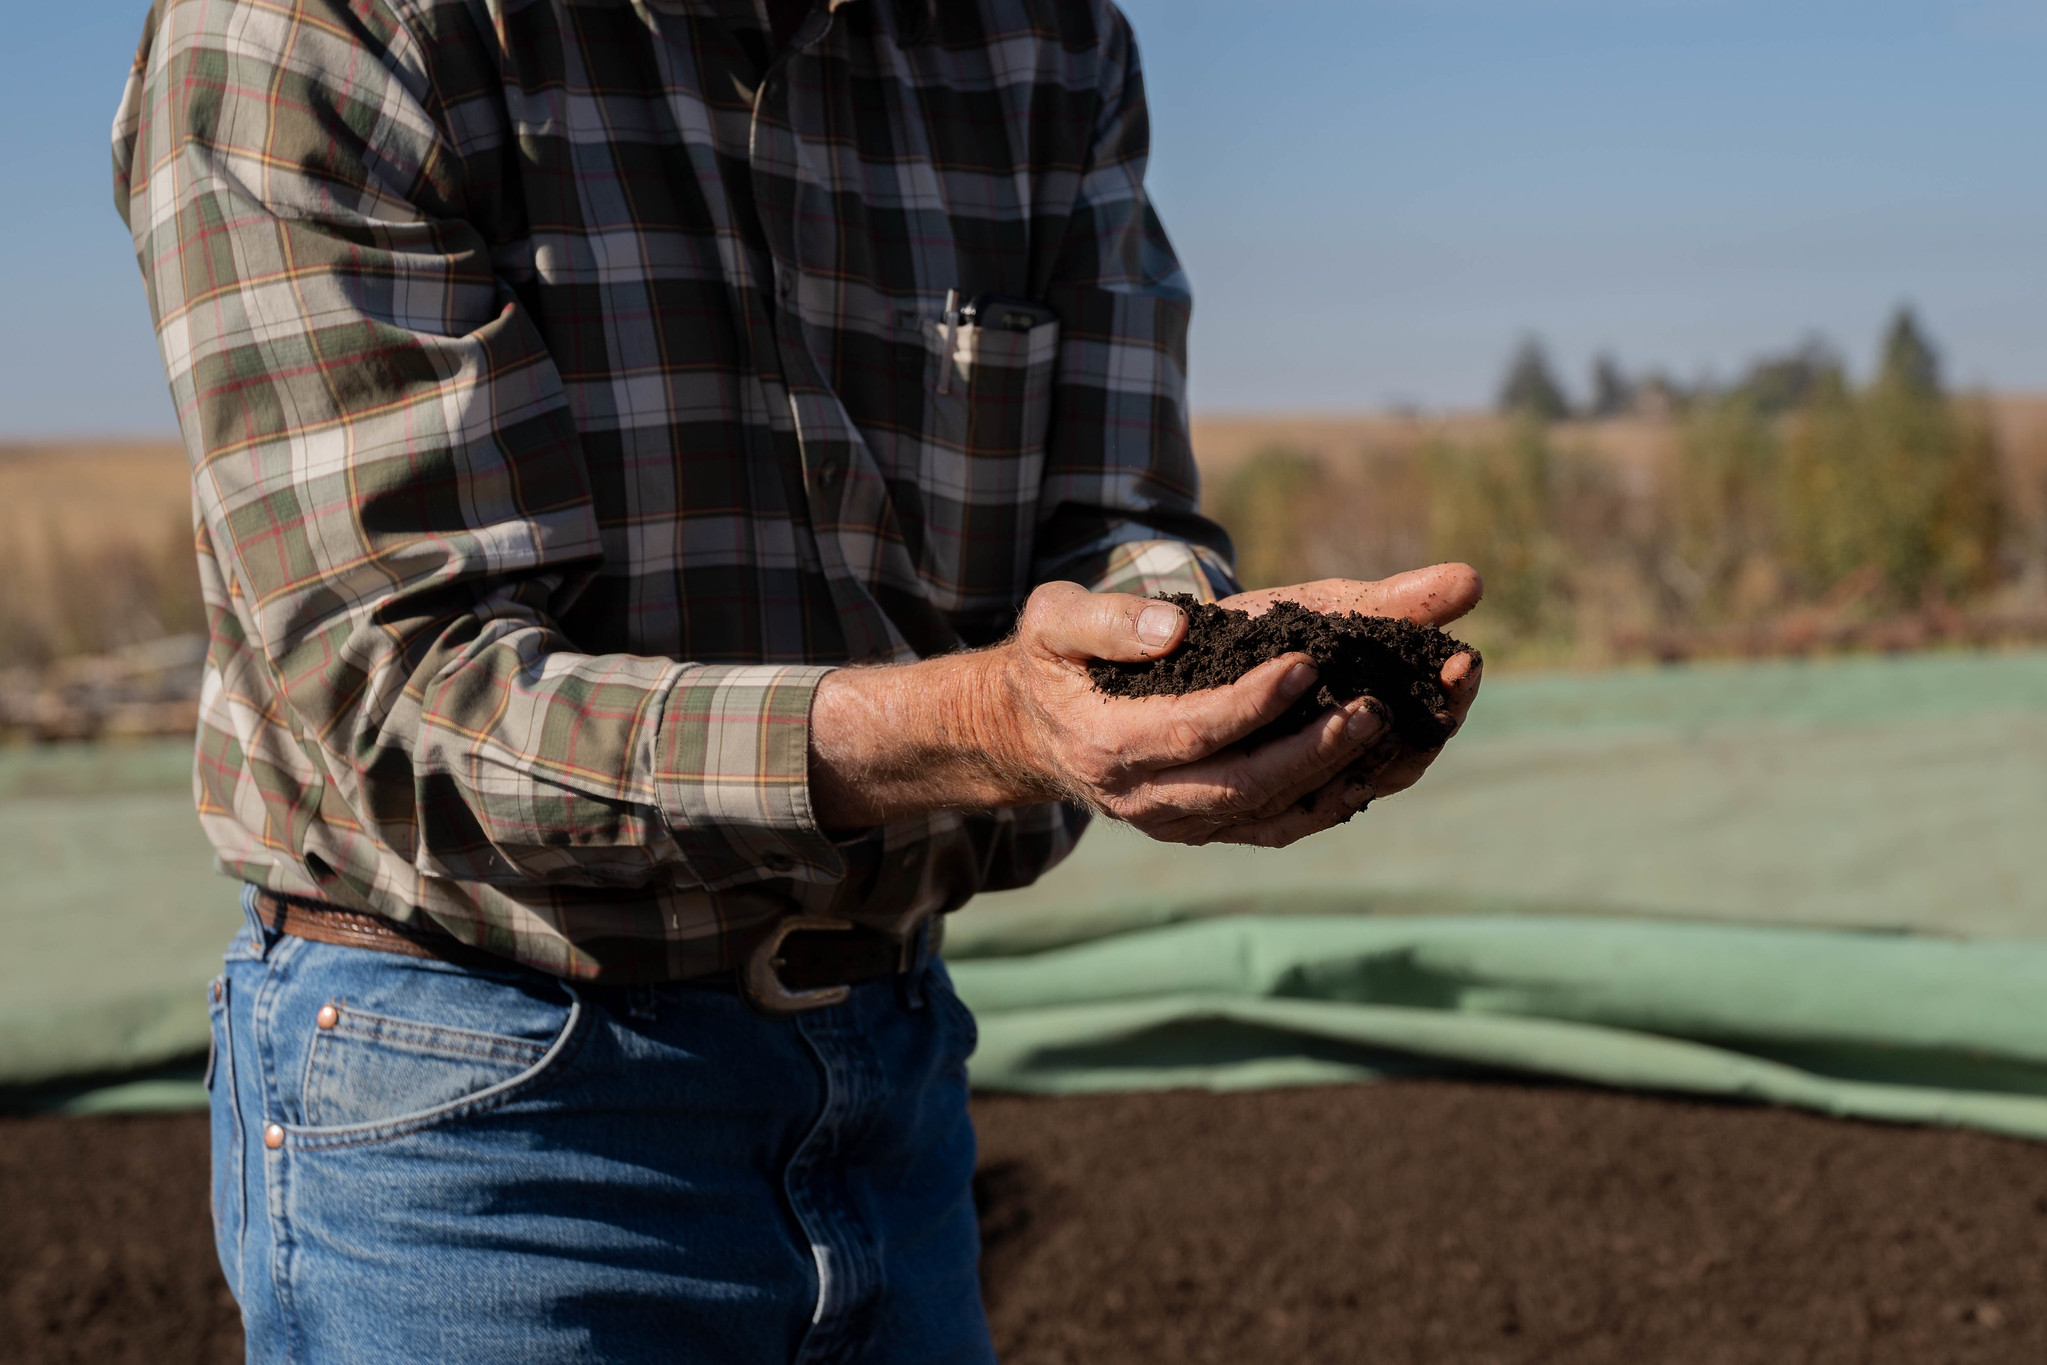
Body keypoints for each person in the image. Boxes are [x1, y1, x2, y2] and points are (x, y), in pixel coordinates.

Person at [113, 0, 1482, 1359]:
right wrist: (986, 724)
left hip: (894, 1076)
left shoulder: (1039, 41)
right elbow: (405, 695)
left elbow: (1114, 518)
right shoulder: (315, 33)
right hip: (485, 1111)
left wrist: (1181, 658)